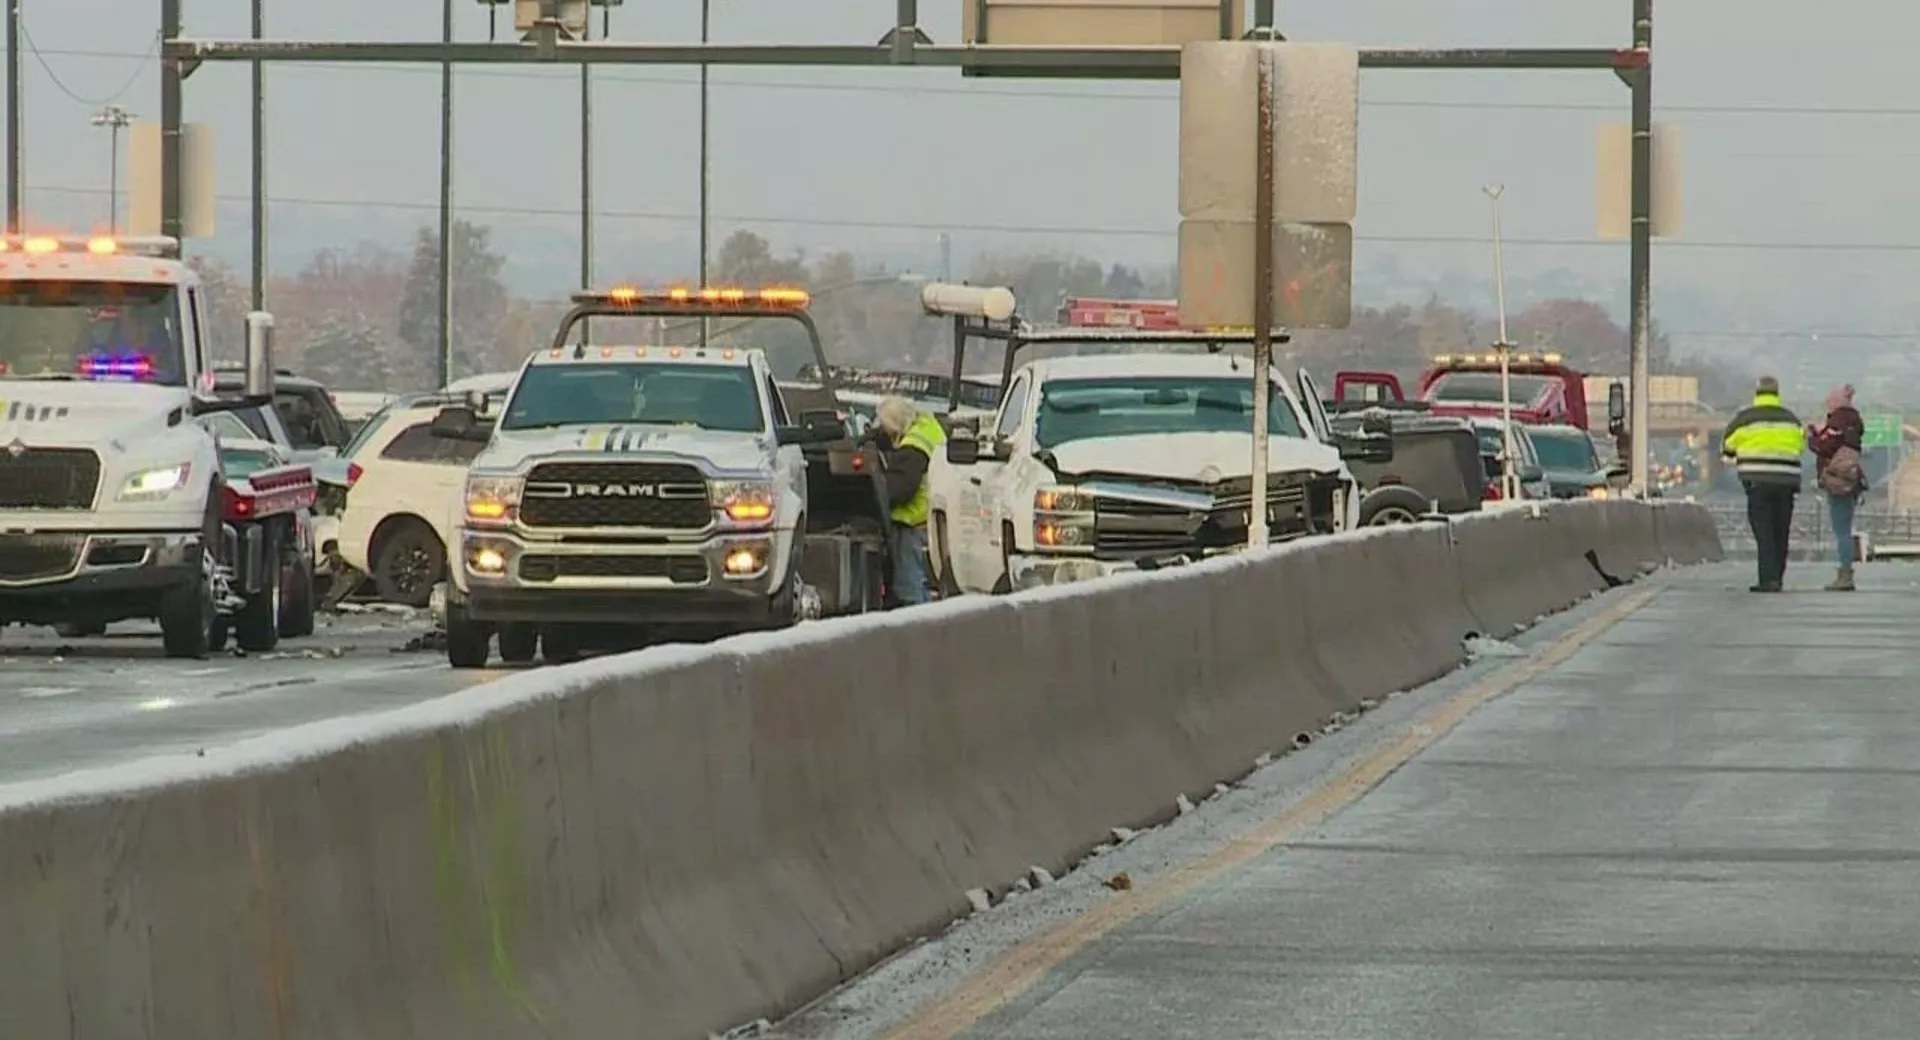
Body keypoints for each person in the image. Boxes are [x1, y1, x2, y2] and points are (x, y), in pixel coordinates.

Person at [1721, 375, 1807, 593]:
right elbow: (1801, 444)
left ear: (1756, 392)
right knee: (1781, 529)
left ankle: (1767, 579)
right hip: (1786, 480)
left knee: (1764, 531)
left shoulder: (1744, 419)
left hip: (1757, 481)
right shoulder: (1791, 420)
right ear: (1777, 393)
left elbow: (1728, 446)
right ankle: (1777, 576)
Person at [871, 395, 947, 606]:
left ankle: (918, 632)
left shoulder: (913, 447)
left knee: (910, 587)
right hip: (927, 520)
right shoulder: (927, 429)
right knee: (920, 584)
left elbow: (900, 488)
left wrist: (876, 494)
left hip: (911, 523)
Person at [1808, 383, 1867, 591]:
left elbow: (1822, 445)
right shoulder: (1854, 422)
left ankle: (1845, 574)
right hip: (1851, 480)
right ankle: (1845, 571)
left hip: (1838, 480)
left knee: (1841, 529)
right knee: (1845, 526)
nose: (1828, 404)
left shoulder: (1838, 421)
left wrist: (1812, 435)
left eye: (1831, 400)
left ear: (1840, 403)